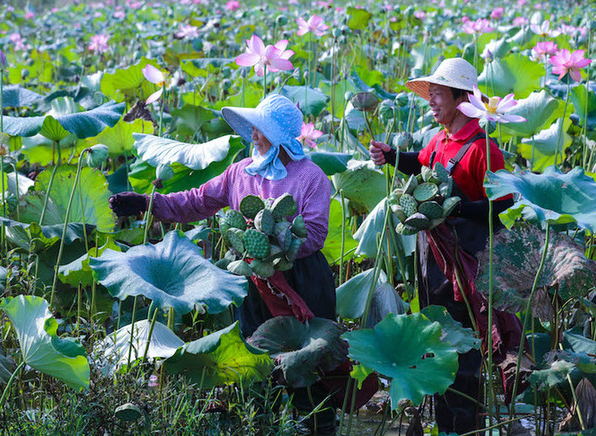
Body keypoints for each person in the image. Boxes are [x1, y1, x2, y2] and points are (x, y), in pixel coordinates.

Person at [109, 94, 338, 434]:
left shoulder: (311, 177)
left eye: (262, 130)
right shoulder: (238, 173)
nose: (254, 136)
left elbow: (315, 233)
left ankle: (318, 426)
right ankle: (266, 424)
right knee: (260, 360)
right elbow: (197, 202)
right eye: (255, 129)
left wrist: (273, 245)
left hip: (302, 279)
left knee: (310, 364)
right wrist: (147, 202)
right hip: (253, 282)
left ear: (283, 136)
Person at [370, 58, 518, 434]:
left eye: (437, 95)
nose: (431, 102)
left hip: (467, 259)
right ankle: (443, 422)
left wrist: (457, 209)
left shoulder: (483, 146)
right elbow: (420, 168)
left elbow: (504, 201)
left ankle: (464, 425)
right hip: (430, 256)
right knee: (436, 335)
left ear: (461, 98)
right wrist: (390, 157)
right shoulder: (438, 140)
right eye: (431, 95)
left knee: (463, 342)